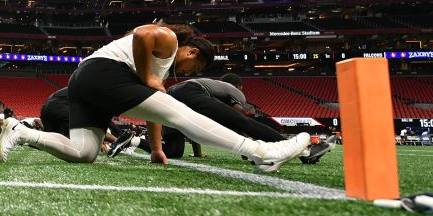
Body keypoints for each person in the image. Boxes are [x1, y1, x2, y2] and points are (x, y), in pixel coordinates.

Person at [0, 24, 312, 171]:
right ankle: (260, 151)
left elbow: (152, 110)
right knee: (181, 112)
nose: (190, 70)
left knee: (84, 152)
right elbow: (144, 33)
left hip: (84, 82)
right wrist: (148, 76)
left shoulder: (158, 68)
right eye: (196, 64)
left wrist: (157, 148)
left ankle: (22, 132)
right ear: (192, 50)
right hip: (101, 74)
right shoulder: (170, 40)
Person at [112, 73, 332, 164]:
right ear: (238, 85)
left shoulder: (213, 86)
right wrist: (251, 142)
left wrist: (197, 154)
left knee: (174, 151)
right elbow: (238, 117)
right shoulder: (233, 90)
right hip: (191, 92)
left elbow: (195, 123)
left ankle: (130, 140)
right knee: (245, 122)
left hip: (172, 94)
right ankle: (304, 151)